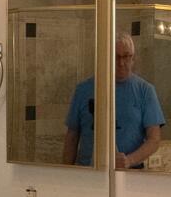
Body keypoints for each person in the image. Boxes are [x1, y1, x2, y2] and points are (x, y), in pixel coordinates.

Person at [63, 33, 165, 168]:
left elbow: (154, 139)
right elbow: (72, 136)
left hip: (131, 175)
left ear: (133, 58)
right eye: (116, 57)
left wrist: (128, 161)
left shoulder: (145, 91)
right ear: (106, 57)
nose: (121, 63)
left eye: (126, 56)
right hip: (88, 173)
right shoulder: (83, 90)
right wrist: (65, 172)